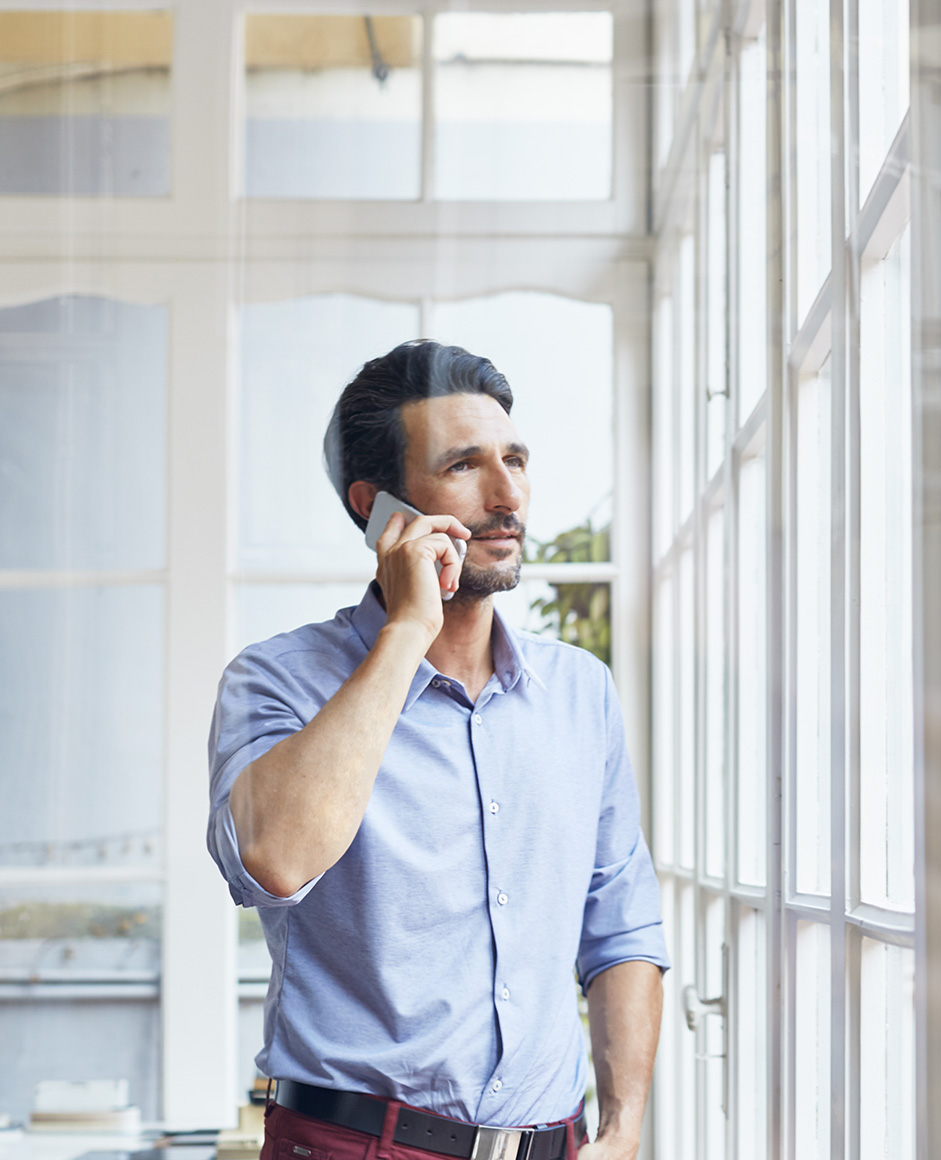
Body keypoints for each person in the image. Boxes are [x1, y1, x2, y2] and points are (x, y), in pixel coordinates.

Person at [207, 340, 668, 1160]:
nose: (507, 494)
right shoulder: (275, 680)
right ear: (376, 508)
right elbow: (275, 857)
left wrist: (625, 1126)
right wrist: (410, 627)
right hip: (353, 1143)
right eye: (464, 466)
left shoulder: (580, 692)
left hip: (551, 1143)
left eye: (514, 459)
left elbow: (621, 925)